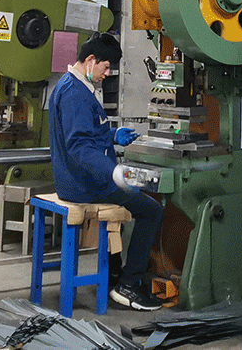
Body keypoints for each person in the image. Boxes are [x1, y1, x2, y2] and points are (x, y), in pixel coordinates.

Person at [47, 31, 165, 311]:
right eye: (106, 66)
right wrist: (114, 172)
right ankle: (129, 284)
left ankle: (113, 273)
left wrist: (112, 136)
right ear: (90, 59)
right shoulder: (76, 94)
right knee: (152, 210)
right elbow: (79, 146)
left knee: (136, 197)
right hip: (85, 185)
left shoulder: (69, 85)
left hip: (77, 179)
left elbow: (85, 133)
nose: (108, 73)